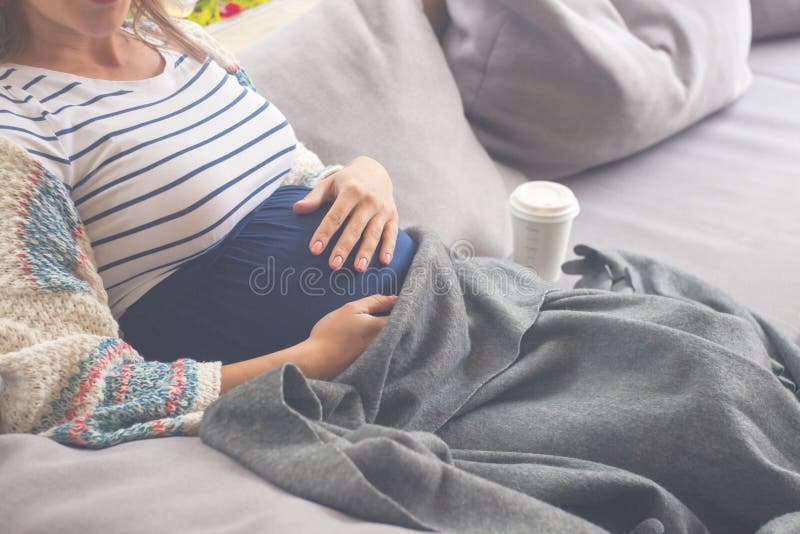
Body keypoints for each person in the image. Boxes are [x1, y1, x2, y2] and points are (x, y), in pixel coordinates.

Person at [0, 0, 422, 447]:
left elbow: (291, 176)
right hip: (333, 390)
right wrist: (311, 360)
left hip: (426, 307)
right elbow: (43, 387)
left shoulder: (181, 41)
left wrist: (361, 174)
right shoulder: (15, 131)